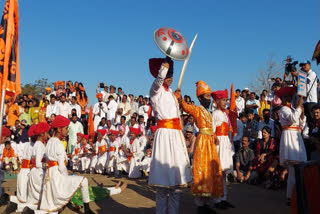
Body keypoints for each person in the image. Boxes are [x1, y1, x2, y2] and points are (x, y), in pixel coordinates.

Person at [148, 58, 192, 214]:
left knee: (176, 186)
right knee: (162, 186)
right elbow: (159, 80)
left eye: (172, 73)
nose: (170, 77)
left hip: (176, 136)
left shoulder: (172, 93)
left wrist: (178, 99)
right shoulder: (155, 90)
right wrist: (163, 68)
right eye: (168, 74)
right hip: (164, 137)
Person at [176, 80, 223, 213]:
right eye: (207, 96)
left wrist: (214, 136)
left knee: (210, 170)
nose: (209, 99)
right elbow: (186, 107)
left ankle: (206, 203)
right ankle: (200, 205)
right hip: (202, 142)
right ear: (200, 98)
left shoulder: (209, 112)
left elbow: (211, 128)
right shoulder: (197, 109)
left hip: (210, 143)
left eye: (209, 96)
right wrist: (180, 98)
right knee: (201, 169)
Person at [39, 115, 94, 213]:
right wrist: (68, 175)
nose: (67, 130)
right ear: (60, 129)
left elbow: (50, 162)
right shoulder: (59, 143)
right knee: (84, 180)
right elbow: (60, 166)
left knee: (51, 211)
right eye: (66, 128)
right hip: (58, 177)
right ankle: (87, 210)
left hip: (50, 176)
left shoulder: (49, 142)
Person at [276, 87, 307, 205]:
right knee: (293, 169)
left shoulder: (292, 108)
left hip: (296, 136)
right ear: (282, 99)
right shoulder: (283, 109)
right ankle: (291, 196)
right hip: (289, 136)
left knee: (296, 169)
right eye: (286, 97)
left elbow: (300, 123)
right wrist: (299, 107)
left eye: (289, 96)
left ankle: (292, 195)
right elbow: (293, 118)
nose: (288, 99)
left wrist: (301, 111)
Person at [211, 89, 235, 209]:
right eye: (223, 100)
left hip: (225, 143)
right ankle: (217, 200)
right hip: (219, 143)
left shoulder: (225, 113)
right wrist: (215, 139)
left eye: (226, 100)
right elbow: (212, 130)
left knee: (224, 173)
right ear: (217, 101)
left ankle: (224, 198)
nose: (225, 102)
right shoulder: (215, 113)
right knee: (219, 172)